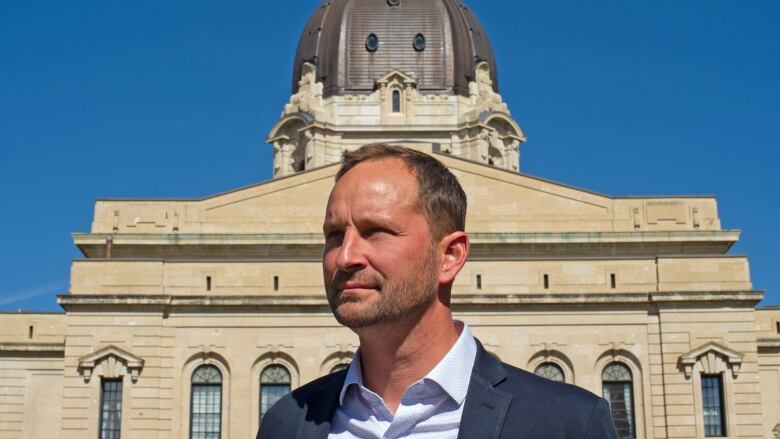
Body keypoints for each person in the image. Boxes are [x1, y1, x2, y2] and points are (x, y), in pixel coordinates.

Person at [258, 144, 618, 438]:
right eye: (335, 235)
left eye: (375, 231)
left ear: (449, 256)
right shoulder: (286, 423)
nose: (346, 256)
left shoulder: (568, 424)